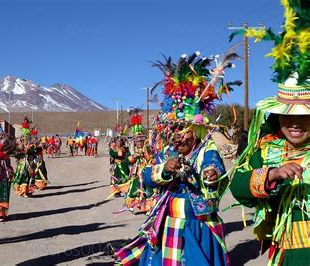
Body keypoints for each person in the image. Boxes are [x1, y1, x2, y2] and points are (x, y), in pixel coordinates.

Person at [115, 50, 241, 265]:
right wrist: (165, 169)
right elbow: (147, 176)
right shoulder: (166, 153)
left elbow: (215, 172)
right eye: (173, 131)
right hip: (167, 222)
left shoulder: (206, 151)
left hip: (197, 225)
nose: (176, 137)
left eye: (183, 131)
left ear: (195, 130)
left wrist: (211, 176)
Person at [230, 2, 309, 264]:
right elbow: (238, 187)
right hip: (285, 253)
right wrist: (272, 174)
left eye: (304, 117)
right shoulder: (268, 150)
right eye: (288, 116)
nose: (295, 124)